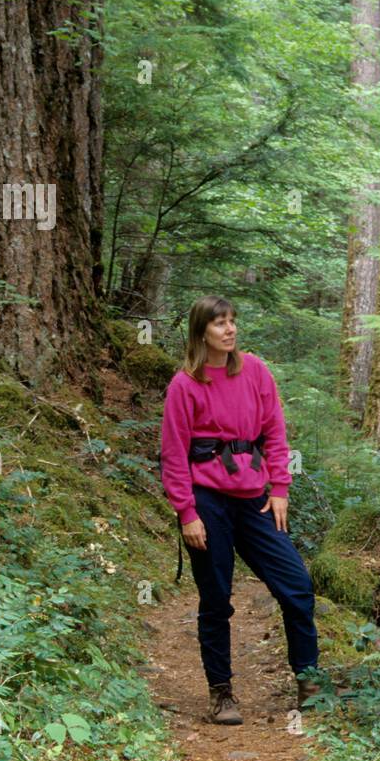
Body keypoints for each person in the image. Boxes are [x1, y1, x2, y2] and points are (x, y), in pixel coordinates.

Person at [159, 295, 321, 724]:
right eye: (219, 324)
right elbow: (174, 455)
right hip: (207, 500)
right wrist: (186, 512)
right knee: (216, 599)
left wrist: (281, 486)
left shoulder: (255, 370)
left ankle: (308, 681)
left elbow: (275, 431)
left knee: (297, 586)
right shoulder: (185, 384)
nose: (229, 330)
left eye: (232, 322)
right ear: (202, 332)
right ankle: (221, 693)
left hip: (254, 497)